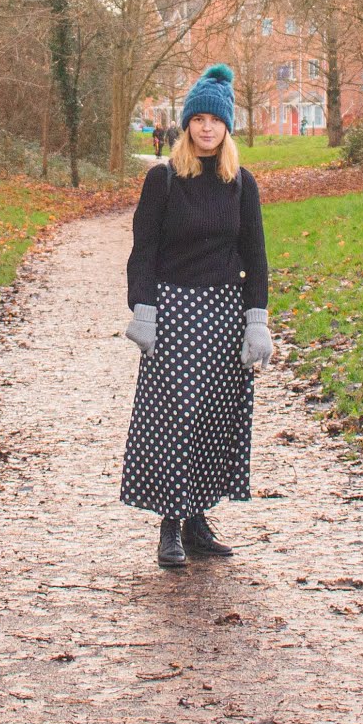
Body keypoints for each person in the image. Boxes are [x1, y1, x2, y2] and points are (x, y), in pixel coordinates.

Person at [120, 63, 273, 569]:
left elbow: (256, 254)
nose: (206, 127)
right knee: (175, 419)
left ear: (228, 127)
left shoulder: (241, 184)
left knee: (215, 417)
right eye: (198, 118)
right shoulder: (163, 181)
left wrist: (257, 320)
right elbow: (142, 252)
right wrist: (143, 309)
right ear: (186, 125)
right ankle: (169, 524)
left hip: (224, 313)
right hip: (175, 312)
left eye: (216, 119)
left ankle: (198, 520)